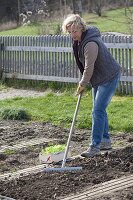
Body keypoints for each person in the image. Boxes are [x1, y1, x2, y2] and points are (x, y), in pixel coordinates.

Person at [62, 14, 120, 157]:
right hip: (99, 78)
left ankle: (95, 146)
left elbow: (89, 68)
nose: (72, 34)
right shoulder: (78, 41)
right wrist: (83, 82)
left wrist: (83, 83)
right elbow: (81, 64)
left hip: (109, 76)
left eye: (74, 31)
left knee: (97, 110)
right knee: (99, 110)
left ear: (81, 28)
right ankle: (105, 141)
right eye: (69, 32)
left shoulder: (90, 44)